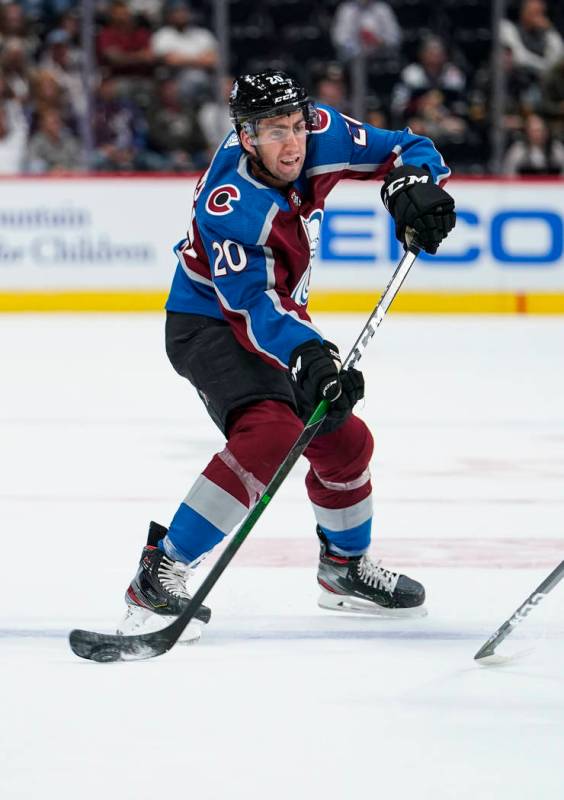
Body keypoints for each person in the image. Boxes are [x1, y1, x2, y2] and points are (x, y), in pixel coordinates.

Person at [119, 71, 455, 641]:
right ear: (245, 138)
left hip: (277, 319)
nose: (294, 143)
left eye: (297, 126)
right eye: (276, 132)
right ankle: (161, 569)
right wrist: (309, 355)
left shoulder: (319, 133)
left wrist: (411, 183)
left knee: (345, 439)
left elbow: (407, 145)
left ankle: (343, 569)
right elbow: (251, 306)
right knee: (270, 435)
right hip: (209, 323)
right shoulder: (231, 207)